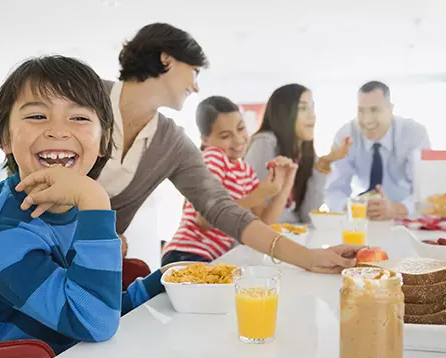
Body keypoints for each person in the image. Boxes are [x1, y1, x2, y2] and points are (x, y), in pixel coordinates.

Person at [0, 56, 173, 354]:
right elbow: (92, 322)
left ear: (104, 141)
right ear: (6, 138)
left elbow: (99, 303)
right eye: (38, 116)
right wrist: (95, 200)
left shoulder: (75, 205)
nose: (58, 131)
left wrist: (170, 277)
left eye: (79, 118)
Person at [98, 23, 362, 273]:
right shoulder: (85, 93)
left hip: (90, 262)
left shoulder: (171, 142)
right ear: (166, 59)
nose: (196, 85)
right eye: (194, 71)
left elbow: (223, 210)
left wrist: (311, 258)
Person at [161, 96, 297, 264]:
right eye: (225, 136)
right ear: (205, 140)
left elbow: (264, 223)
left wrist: (285, 184)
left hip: (213, 257)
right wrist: (261, 193)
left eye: (241, 128)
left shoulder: (246, 171)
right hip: (187, 252)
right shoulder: (212, 157)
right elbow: (205, 220)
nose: (239, 140)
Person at [245, 83, 352, 224]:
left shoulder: (305, 152)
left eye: (312, 107)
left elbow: (308, 215)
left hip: (289, 237)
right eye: (302, 108)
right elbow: (257, 210)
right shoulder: (264, 143)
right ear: (284, 113)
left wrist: (324, 164)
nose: (312, 115)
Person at [325, 81, 431, 220]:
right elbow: (334, 189)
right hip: (361, 219)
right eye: (361, 110)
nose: (367, 120)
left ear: (390, 109)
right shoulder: (346, 135)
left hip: (403, 218)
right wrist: (352, 207)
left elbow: (424, 191)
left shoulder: (414, 133)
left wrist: (396, 209)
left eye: (374, 110)